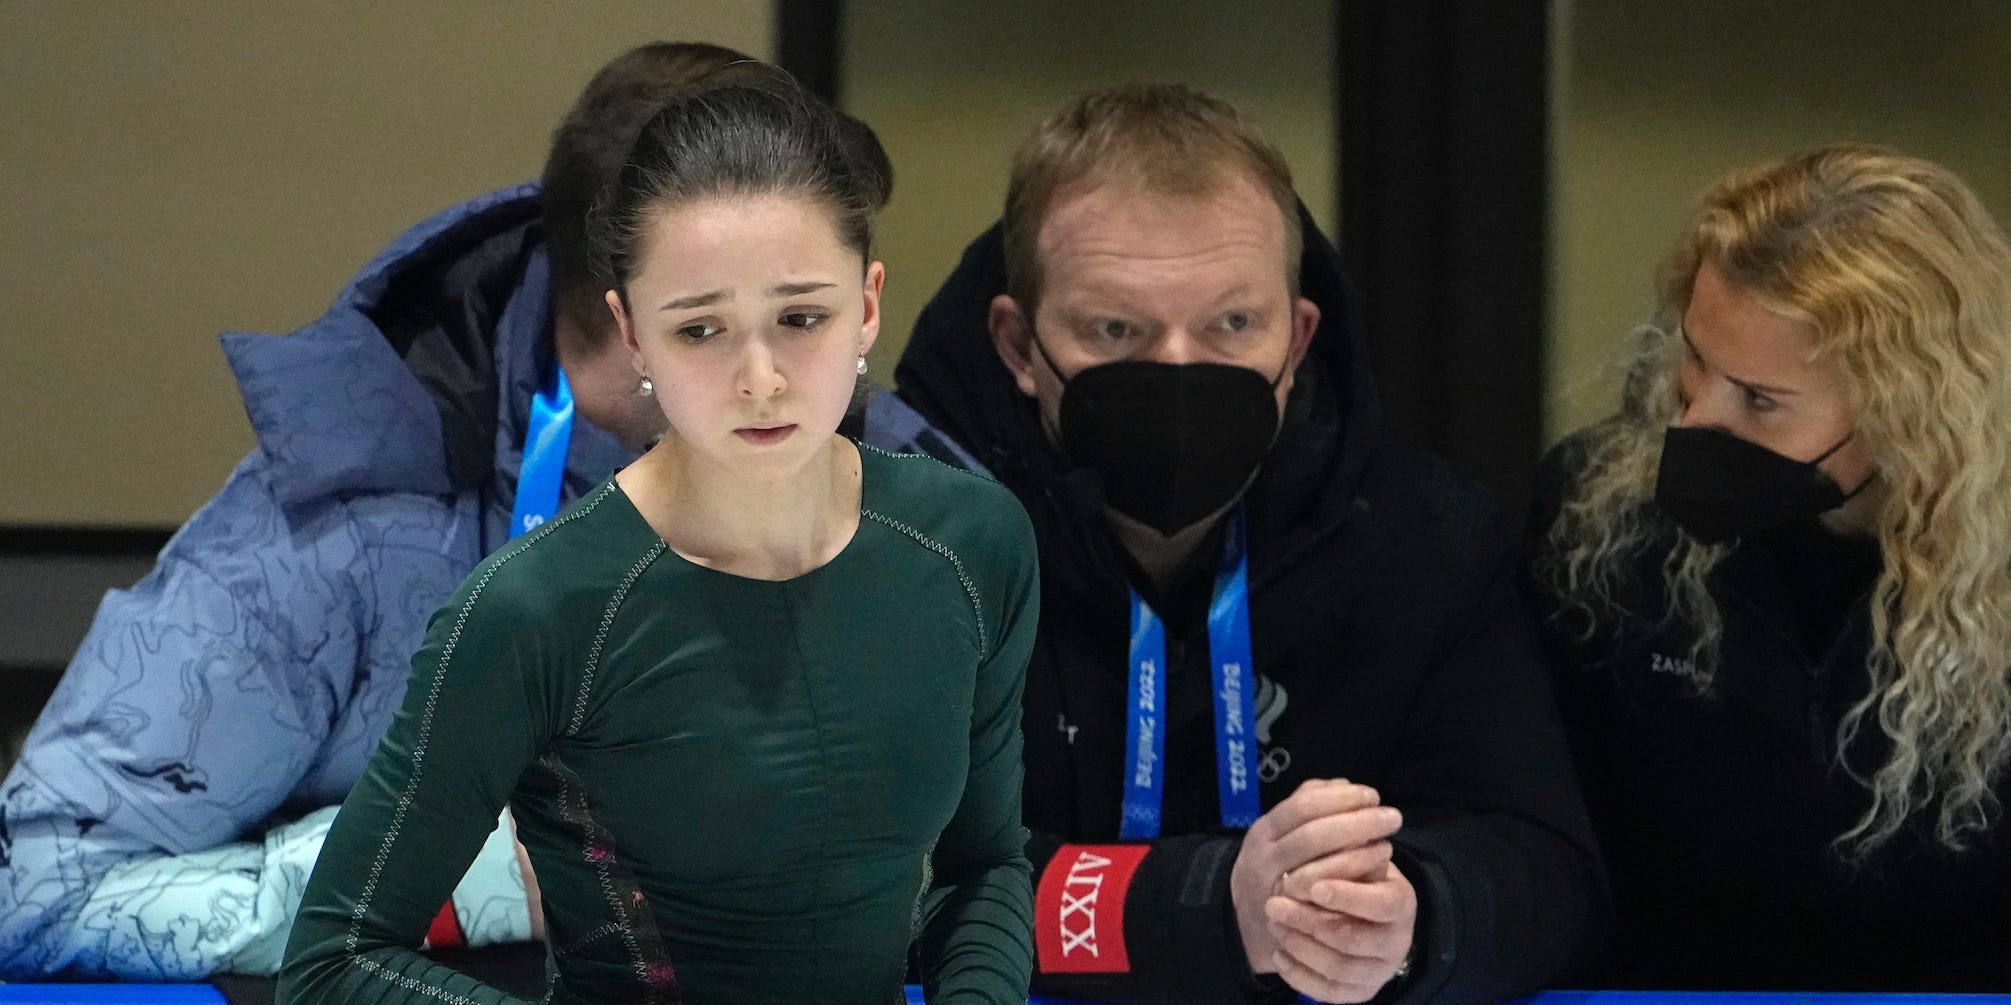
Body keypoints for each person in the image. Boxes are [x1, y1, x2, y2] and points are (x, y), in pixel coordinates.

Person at [0, 42, 962, 979]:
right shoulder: (334, 532)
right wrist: (488, 875)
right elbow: (34, 886)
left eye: (810, 312)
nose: (788, 379)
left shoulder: (915, 504)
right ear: (640, 324)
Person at [277, 78, 1036, 1005]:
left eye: (801, 318)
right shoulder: (536, 609)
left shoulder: (971, 543)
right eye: (700, 329)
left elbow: (985, 864)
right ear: (632, 333)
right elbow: (333, 960)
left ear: (867, 304)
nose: (760, 380)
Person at [894, 83, 1602, 1005]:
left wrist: (1408, 915)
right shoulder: (893, 539)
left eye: (1233, 323)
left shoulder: (1429, 539)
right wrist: (1202, 907)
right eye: (1117, 328)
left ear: (1298, 336)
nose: (1180, 368)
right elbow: (872, 879)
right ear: (1019, 344)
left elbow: (1546, 867)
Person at [1526, 144, 2011, 990]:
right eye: (1695, 360)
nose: (1694, 419)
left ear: (1909, 413)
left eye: (1759, 399)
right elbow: (1542, 836)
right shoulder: (1596, 517)